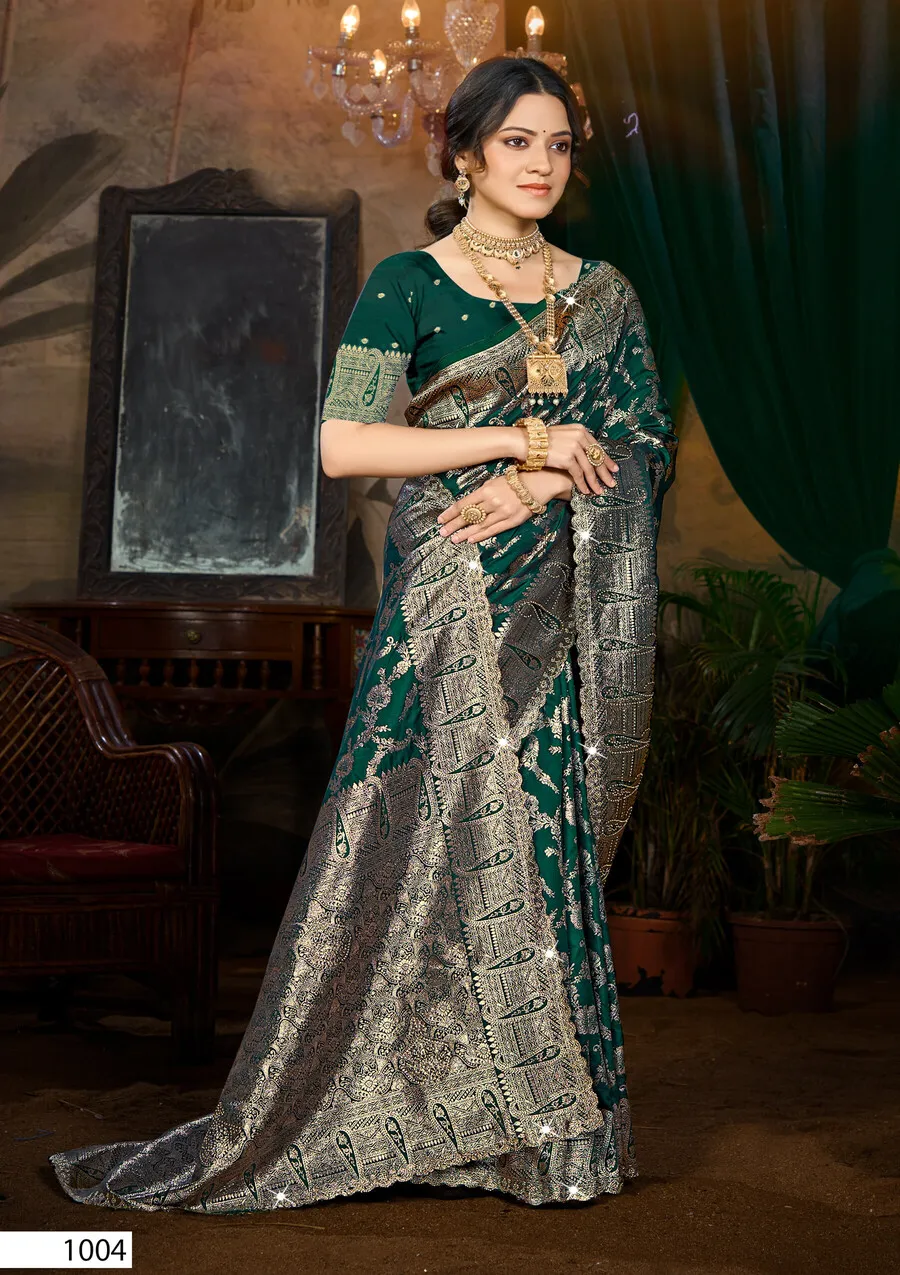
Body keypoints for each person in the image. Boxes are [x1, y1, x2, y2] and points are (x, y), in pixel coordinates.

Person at [51, 55, 676, 1212]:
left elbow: (637, 441)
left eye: (559, 145)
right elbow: (345, 445)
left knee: (538, 844)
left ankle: (536, 1137)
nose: (542, 164)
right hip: (446, 593)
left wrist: (545, 484)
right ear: (465, 154)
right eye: (518, 142)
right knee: (417, 835)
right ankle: (394, 1111)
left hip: (553, 604)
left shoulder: (604, 295)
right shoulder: (409, 284)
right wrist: (513, 443)